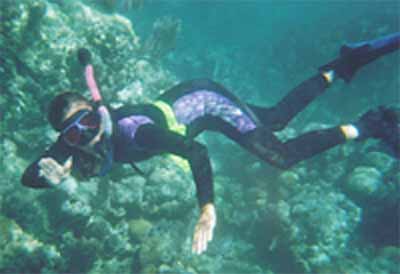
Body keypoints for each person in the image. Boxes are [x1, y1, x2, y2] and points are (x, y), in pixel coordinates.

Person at [21, 32, 400, 255]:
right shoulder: (73, 145)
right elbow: (31, 176)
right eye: (75, 132)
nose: (89, 135)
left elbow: (195, 150)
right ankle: (340, 66)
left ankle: (367, 124)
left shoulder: (136, 132)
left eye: (89, 122)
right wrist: (50, 179)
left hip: (206, 103)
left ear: (95, 113)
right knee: (273, 117)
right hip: (187, 101)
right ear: (64, 138)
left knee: (280, 153)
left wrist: (207, 208)